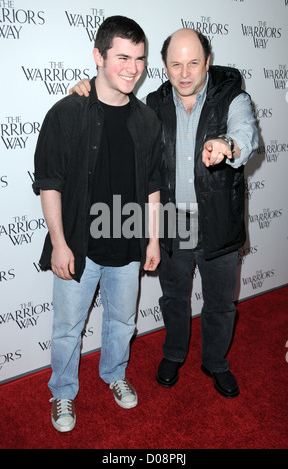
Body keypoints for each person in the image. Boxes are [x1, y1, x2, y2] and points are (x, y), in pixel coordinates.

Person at [70, 28, 258, 399]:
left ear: (207, 62)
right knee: (174, 298)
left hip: (219, 220)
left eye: (193, 63)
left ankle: (216, 361)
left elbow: (246, 134)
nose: (185, 73)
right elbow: (112, 110)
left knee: (221, 302)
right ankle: (173, 354)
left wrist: (227, 144)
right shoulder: (152, 105)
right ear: (164, 66)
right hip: (174, 221)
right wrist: (86, 91)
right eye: (176, 64)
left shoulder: (233, 98)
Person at [33, 15, 162, 433]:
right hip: (78, 246)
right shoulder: (67, 112)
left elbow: (154, 187)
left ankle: (114, 374)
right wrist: (59, 243)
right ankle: (63, 393)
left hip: (128, 244)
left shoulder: (147, 120)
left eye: (139, 59)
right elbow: (49, 184)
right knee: (68, 327)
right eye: (122, 57)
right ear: (98, 57)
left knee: (123, 322)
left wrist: (154, 241)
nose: (132, 68)